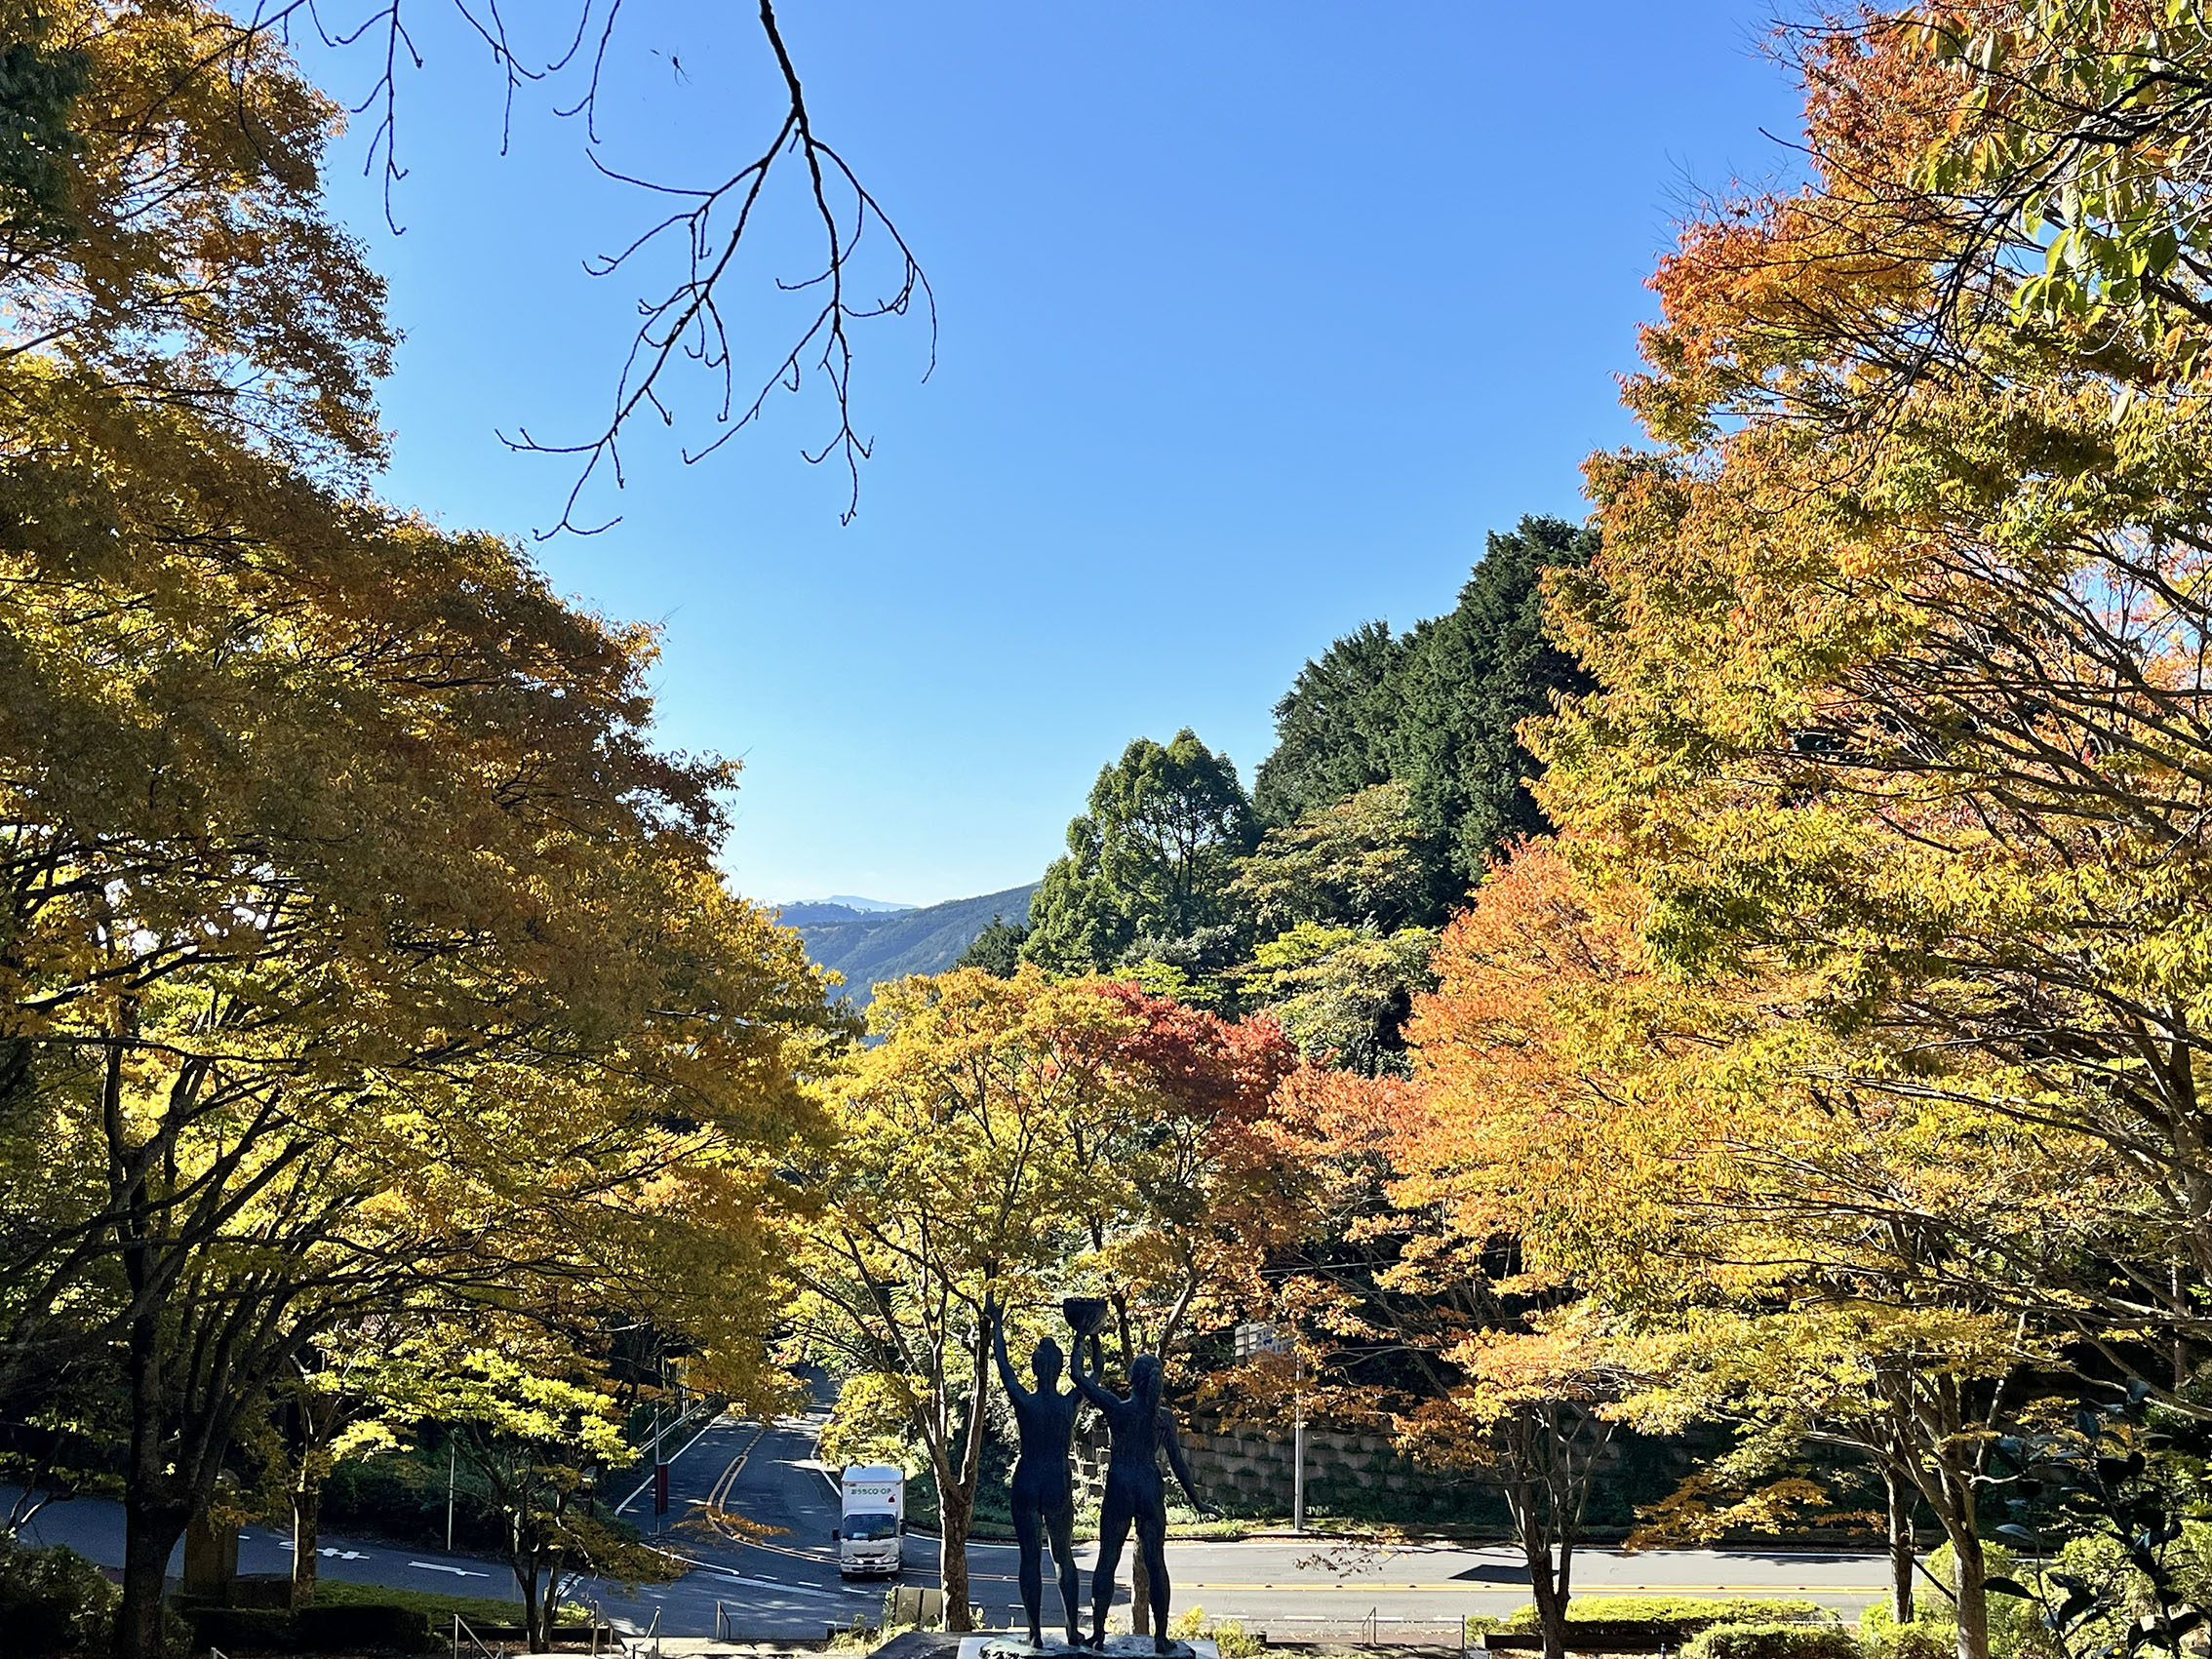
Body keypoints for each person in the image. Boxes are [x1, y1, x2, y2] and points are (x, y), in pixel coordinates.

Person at [1069, 1345, 1211, 1654]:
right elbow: (1178, 1463)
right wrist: (1196, 1500)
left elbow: (1077, 1376)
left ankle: (1098, 1635)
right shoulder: (1164, 1419)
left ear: (1132, 1378)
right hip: (1149, 1485)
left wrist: (1085, 1338)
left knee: (1107, 1559)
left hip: (1121, 1485)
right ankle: (1160, 1638)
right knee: (1156, 1563)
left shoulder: (1118, 1409)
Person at [986, 1295, 1084, 1648]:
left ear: (1034, 1368)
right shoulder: (1068, 1402)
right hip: (1056, 1481)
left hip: (1026, 1479)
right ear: (1058, 1369)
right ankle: (1072, 1630)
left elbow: (1002, 1365)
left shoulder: (1024, 1401)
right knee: (1063, 1555)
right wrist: (1083, 1336)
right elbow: (1092, 1375)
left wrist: (997, 1323)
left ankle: (1035, 1633)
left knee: (1029, 1557)